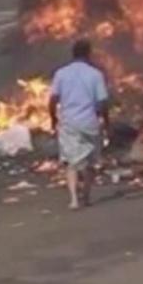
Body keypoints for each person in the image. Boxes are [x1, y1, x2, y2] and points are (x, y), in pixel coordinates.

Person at [49, 39, 110, 210]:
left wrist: (53, 118)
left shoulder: (61, 73)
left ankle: (74, 199)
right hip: (89, 123)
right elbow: (103, 102)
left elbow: (53, 99)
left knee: (71, 163)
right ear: (89, 54)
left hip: (69, 123)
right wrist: (106, 122)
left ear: (73, 54)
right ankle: (86, 196)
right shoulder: (95, 74)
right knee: (89, 162)